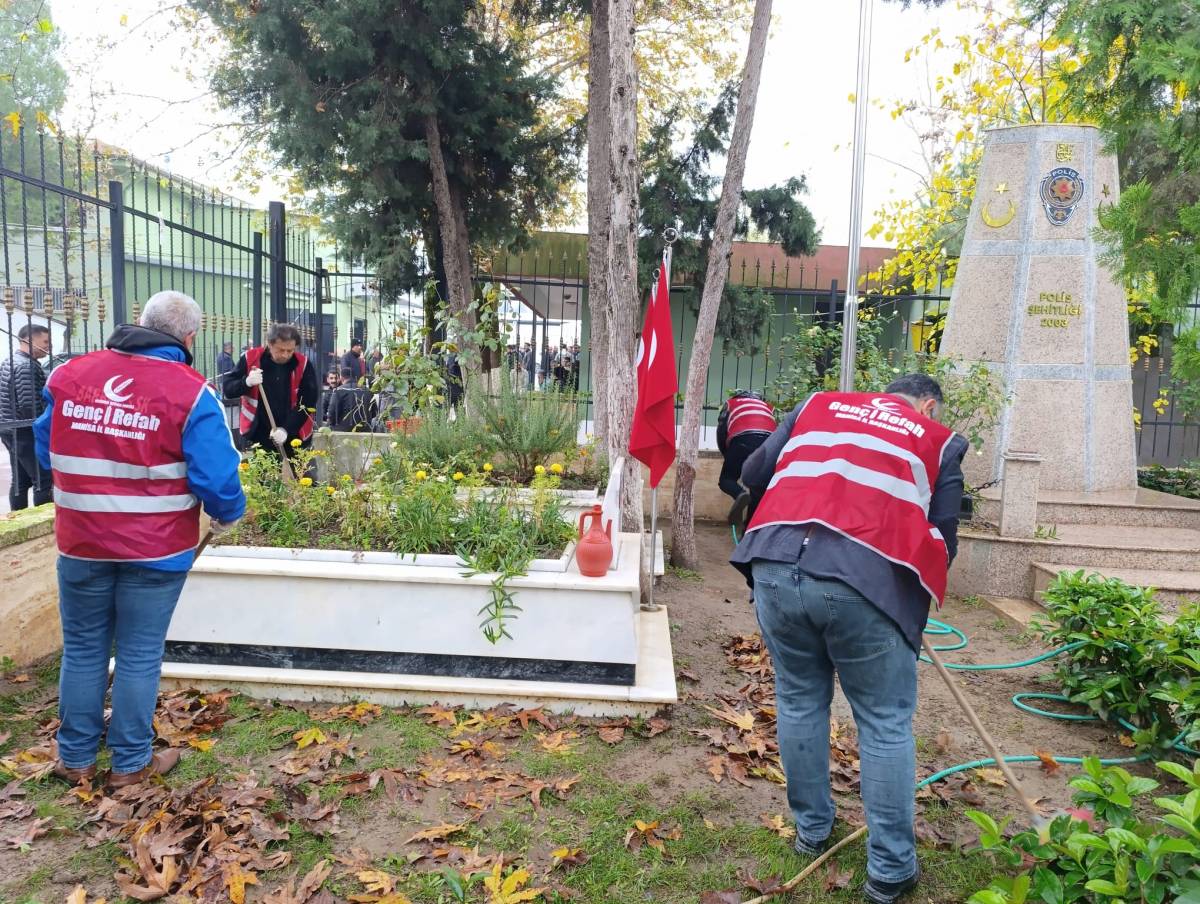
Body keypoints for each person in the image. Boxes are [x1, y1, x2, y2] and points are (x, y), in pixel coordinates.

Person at [731, 374, 967, 904]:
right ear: (927, 405)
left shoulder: (818, 404)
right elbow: (943, 540)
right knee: (884, 724)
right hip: (864, 580)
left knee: (797, 700)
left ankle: (811, 832)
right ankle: (889, 870)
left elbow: (751, 472)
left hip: (775, 560)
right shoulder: (937, 439)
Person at [32, 290, 245, 787]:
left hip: (81, 542)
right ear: (190, 337)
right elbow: (217, 478)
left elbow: (46, 447)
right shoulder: (190, 391)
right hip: (156, 549)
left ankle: (76, 758)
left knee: (83, 648)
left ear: (139, 322)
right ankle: (130, 764)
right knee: (138, 652)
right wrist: (227, 515)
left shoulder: (70, 375)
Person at [224, 323, 319, 456]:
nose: (286, 355)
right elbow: (228, 389)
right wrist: (246, 382)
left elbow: (308, 402)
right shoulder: (250, 358)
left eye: (290, 350)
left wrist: (286, 430)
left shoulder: (303, 364)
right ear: (269, 344)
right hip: (258, 434)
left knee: (298, 475)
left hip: (295, 434)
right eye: (281, 350)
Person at [1, 324, 52, 510]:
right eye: (45, 341)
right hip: (26, 431)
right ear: (30, 340)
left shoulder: (11, 361)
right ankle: (43, 522)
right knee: (43, 479)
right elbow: (29, 405)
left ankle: (18, 516)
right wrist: (42, 429)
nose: (48, 346)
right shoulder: (26, 366)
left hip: (11, 428)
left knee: (20, 481)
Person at [716, 390, 776, 527]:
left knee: (726, 480)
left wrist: (728, 455)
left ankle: (739, 494)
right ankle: (749, 529)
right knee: (758, 490)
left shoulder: (731, 404)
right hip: (768, 445)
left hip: (742, 439)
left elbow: (721, 432)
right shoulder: (768, 407)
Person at [326, 366, 376, 431]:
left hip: (343, 430)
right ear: (355, 377)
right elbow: (374, 412)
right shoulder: (367, 391)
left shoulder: (339, 390)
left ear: (341, 378)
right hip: (365, 429)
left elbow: (332, 414)